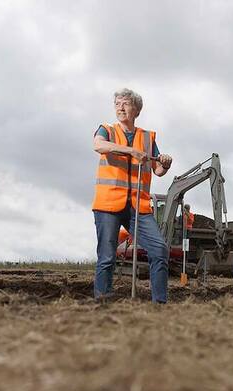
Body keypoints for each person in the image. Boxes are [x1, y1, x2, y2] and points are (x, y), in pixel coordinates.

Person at [91, 88, 173, 303]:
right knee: (107, 257)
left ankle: (159, 304)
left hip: (138, 207)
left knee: (159, 249)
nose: (120, 107)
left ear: (136, 110)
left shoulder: (147, 137)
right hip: (108, 204)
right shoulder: (106, 130)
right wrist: (130, 152)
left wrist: (165, 164)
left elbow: (158, 171)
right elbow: (98, 146)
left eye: (125, 103)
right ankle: (103, 302)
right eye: (117, 103)